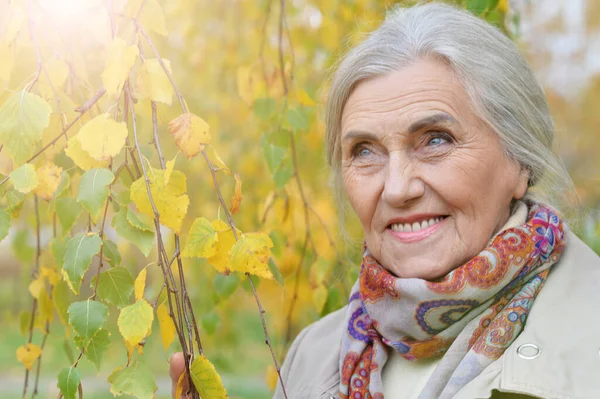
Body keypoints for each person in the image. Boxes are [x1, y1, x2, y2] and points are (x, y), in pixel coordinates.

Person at [171, 3, 600, 398]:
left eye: (435, 140)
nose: (396, 188)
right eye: (364, 151)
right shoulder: (313, 356)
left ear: (519, 162)